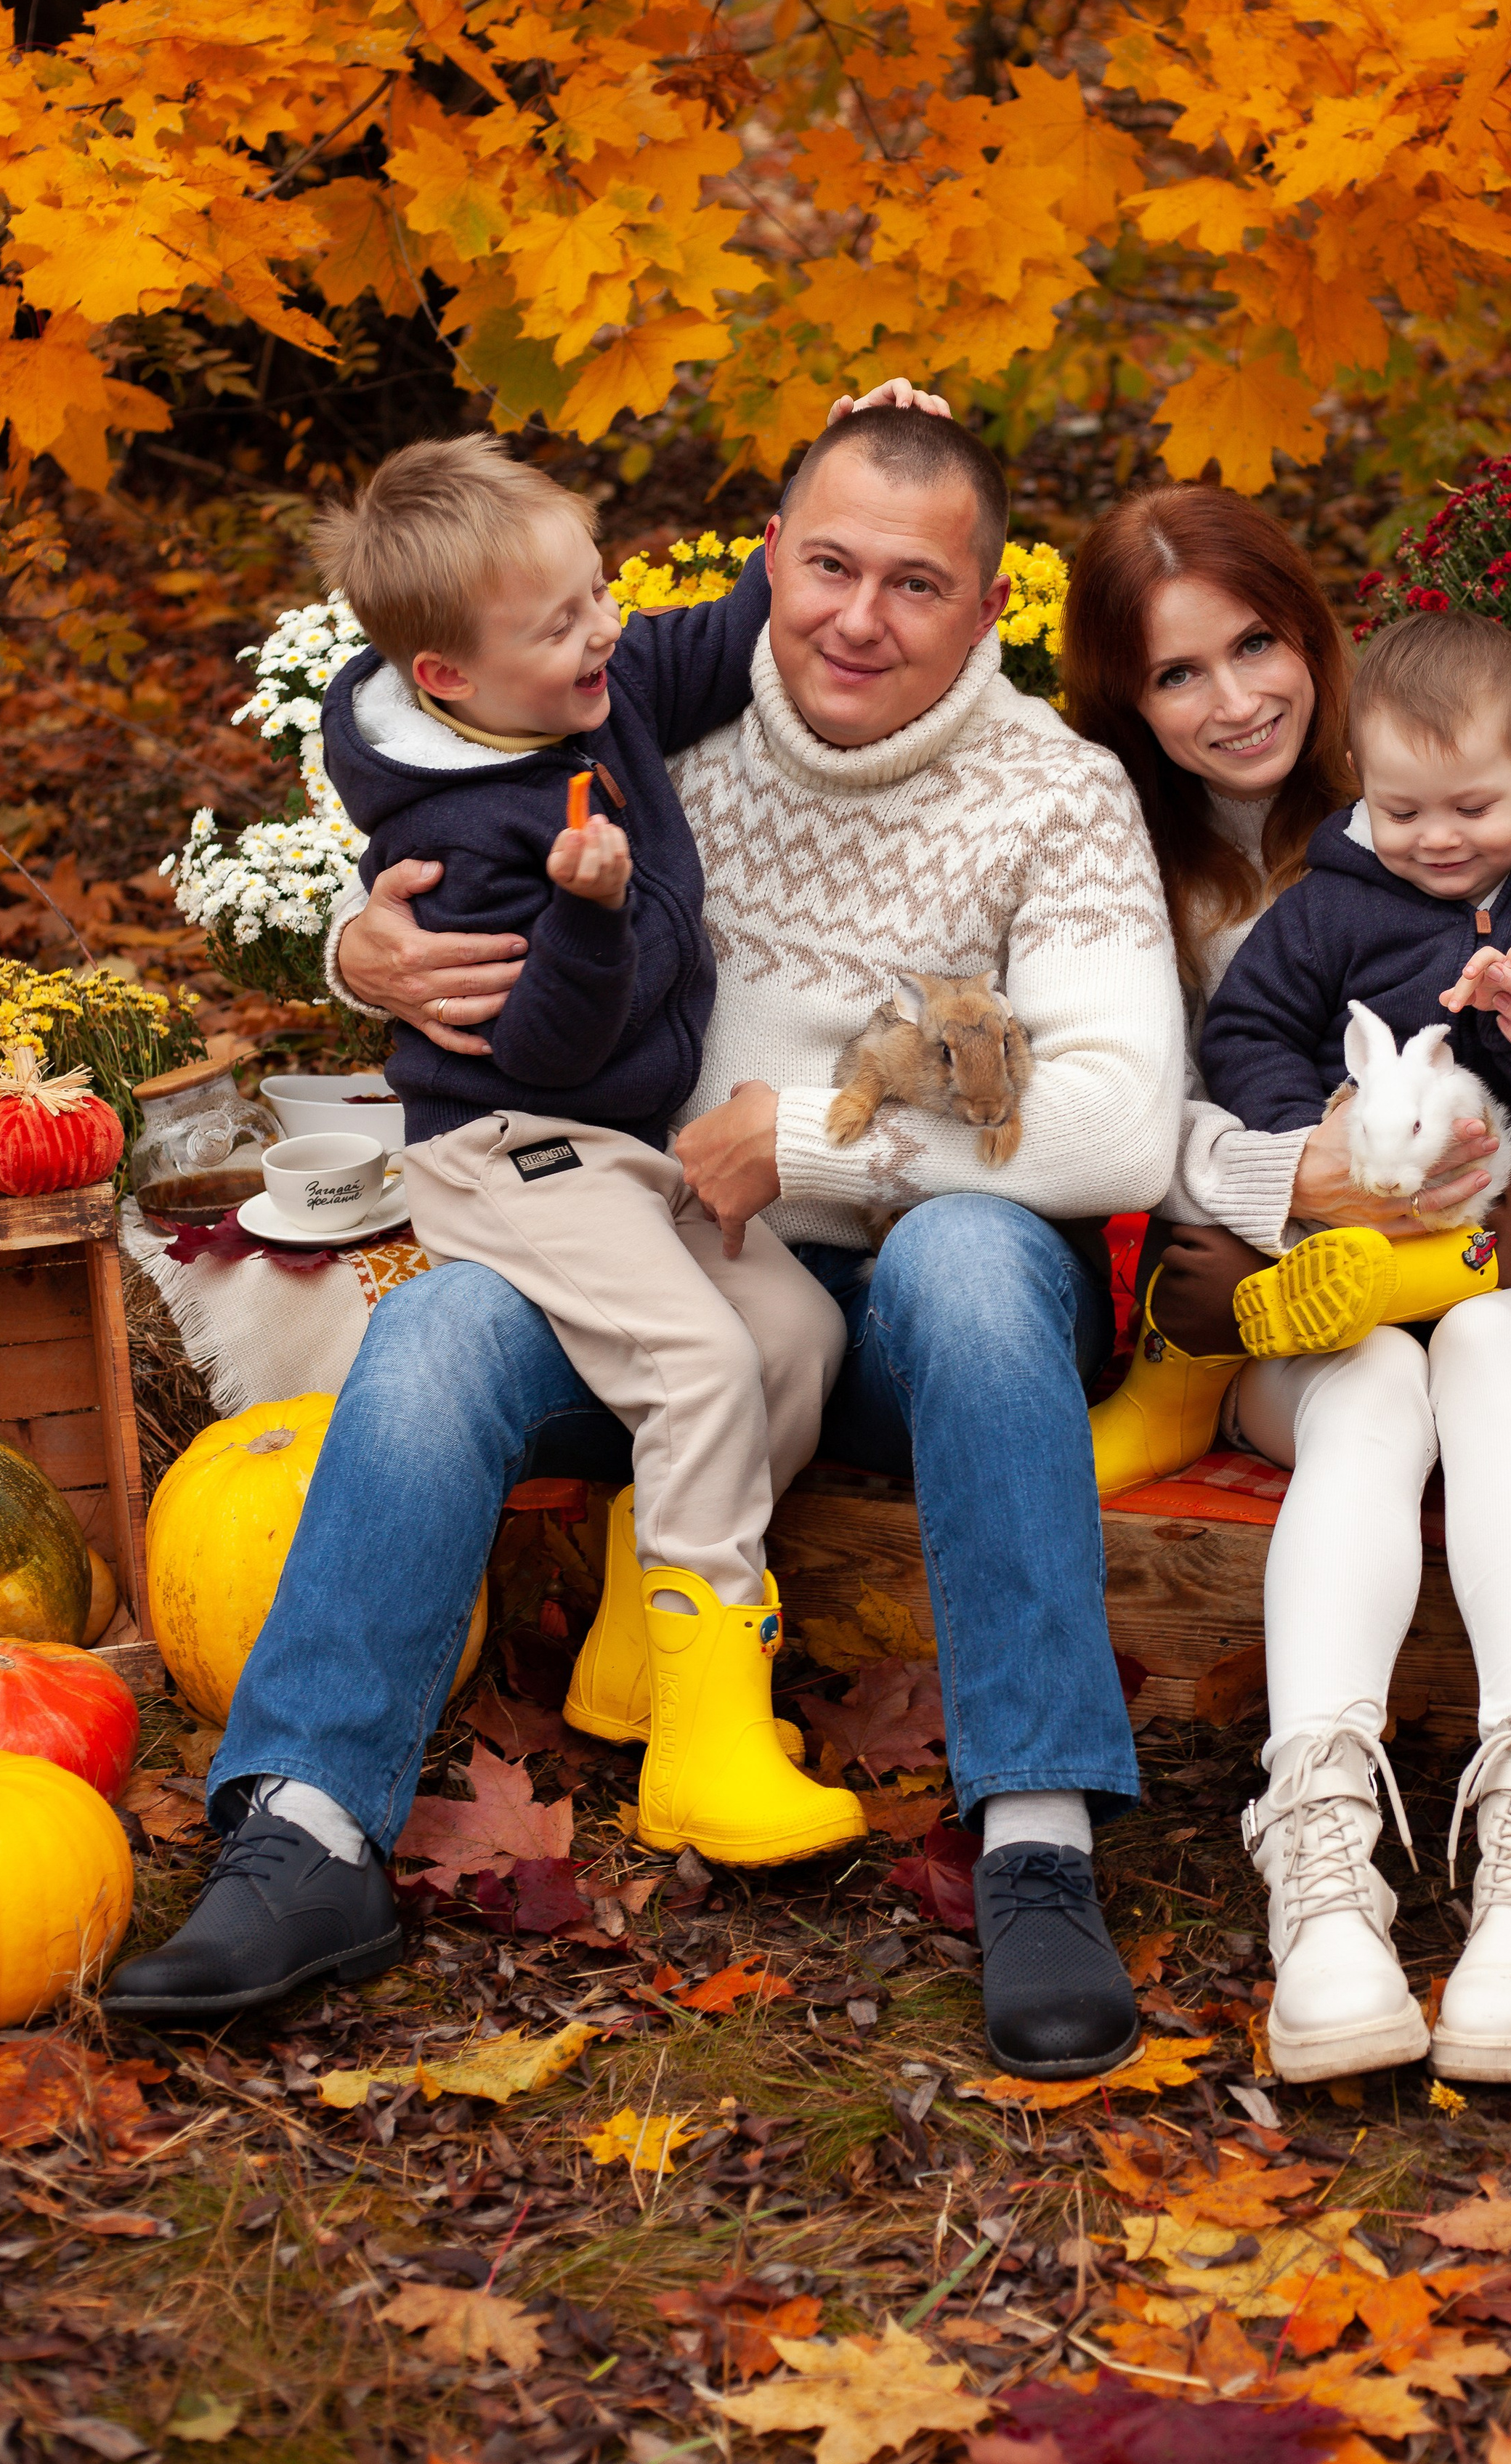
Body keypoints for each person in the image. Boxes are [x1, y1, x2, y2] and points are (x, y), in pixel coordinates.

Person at [107, 394, 1185, 2086]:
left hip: (905, 1308)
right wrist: (360, 950)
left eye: (915, 583)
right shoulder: (633, 714)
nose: (855, 615)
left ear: (991, 605)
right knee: (447, 1323)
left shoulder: (1052, 791)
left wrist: (823, 1132)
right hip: (653, 1251)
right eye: (825, 563)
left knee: (977, 1259)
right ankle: (306, 1827)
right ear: (768, 561)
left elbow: (1122, 1117)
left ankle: (1035, 1836)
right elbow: (421, 697)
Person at [1059, 484, 1511, 2088]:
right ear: (1128, 705)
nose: (1234, 700)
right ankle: (1322, 1857)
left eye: (1257, 646)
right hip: (1325, 1294)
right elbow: (1126, 1127)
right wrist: (1301, 1173)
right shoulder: (1123, 867)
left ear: (1319, 649)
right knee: (1367, 1385)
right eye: (1176, 675)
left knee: (1481, 1351)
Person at [312, 434, 860, 1870]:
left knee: (794, 1333)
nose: (603, 628)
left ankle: (639, 1635)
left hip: (616, 1144)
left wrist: (823, 486)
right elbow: (541, 1050)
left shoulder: (577, 694)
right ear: (446, 676)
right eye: (560, 621)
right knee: (694, 1360)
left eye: (597, 591)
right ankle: (703, 1735)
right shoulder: (459, 836)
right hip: (513, 1146)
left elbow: (708, 641)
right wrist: (591, 914)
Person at [1199, 604, 1511, 1361]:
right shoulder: (1326, 905)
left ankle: (1407, 1286)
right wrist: (1311, 1137)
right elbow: (1245, 1028)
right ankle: (1350, 1279)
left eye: (1472, 807)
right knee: (1209, 1260)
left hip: (1506, 1201)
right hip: (1363, 1192)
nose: (1439, 837)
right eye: (1402, 810)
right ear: (1360, 780)